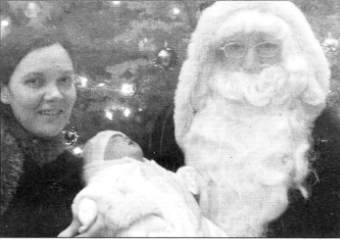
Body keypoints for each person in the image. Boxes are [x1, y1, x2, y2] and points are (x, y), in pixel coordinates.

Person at [174, 1, 331, 237]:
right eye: (234, 48)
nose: (250, 63)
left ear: (289, 53)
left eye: (267, 47)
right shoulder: (191, 121)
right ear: (215, 57)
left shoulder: (319, 127)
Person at [59, 130, 227, 237]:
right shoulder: (110, 173)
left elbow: (180, 187)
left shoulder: (152, 169)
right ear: (101, 158)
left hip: (189, 224)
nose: (125, 138)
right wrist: (87, 213)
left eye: (126, 136)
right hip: (145, 225)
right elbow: (95, 195)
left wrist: (187, 179)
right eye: (115, 140)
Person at [0, 26, 83, 237]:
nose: (55, 94)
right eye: (34, 81)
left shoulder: (79, 171)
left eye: (64, 80)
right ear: (4, 92)